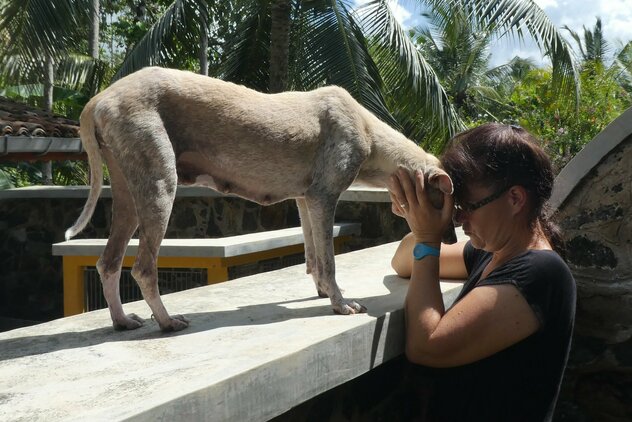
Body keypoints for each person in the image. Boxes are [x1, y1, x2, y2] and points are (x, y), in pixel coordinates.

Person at [388, 123, 576, 421]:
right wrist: (425, 217)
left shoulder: (541, 272)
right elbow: (403, 261)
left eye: (468, 205)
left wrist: (427, 240)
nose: (459, 217)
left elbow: (427, 347)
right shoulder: (492, 252)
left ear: (514, 199)